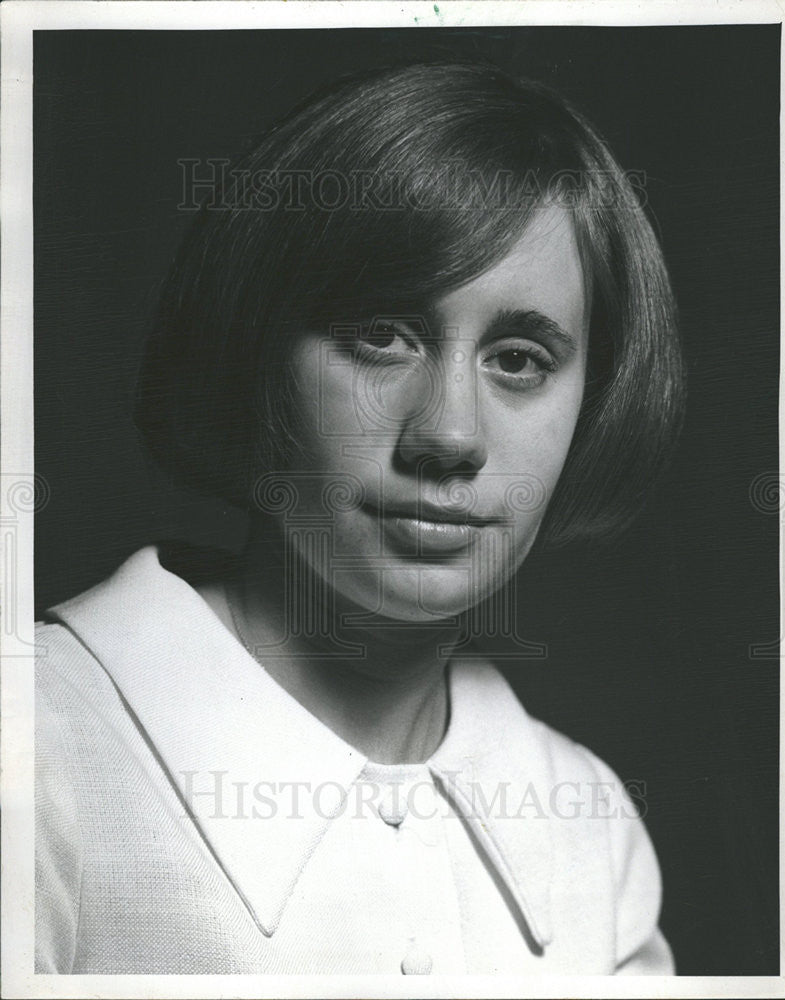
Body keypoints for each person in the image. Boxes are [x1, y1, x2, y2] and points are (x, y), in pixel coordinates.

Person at [35, 60, 684, 975]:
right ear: (254, 354)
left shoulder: (589, 828)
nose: (449, 434)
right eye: (382, 334)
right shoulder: (36, 757)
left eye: (520, 359)